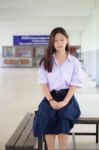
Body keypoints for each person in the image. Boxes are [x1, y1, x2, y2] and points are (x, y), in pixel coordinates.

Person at [33, 27, 83, 150]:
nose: (59, 43)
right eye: (55, 40)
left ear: (67, 40)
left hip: (68, 97)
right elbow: (43, 84)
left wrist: (65, 101)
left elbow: (74, 84)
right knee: (47, 116)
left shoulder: (74, 62)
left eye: (62, 39)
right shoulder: (46, 61)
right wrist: (51, 101)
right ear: (52, 42)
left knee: (63, 116)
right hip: (50, 96)